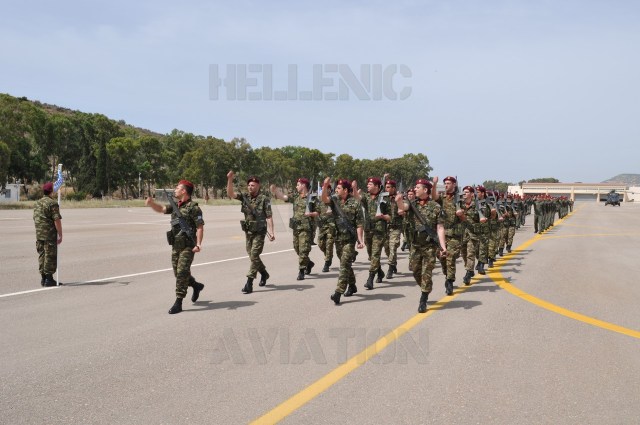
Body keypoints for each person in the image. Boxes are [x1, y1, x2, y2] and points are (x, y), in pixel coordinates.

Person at [145, 180, 204, 314]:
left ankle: (179, 302)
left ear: (184, 191)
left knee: (182, 272)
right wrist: (151, 204)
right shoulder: (175, 206)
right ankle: (196, 285)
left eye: (177, 188)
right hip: (176, 245)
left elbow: (200, 227)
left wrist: (199, 244)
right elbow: (161, 209)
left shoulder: (194, 208)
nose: (175, 190)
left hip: (189, 246)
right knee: (178, 274)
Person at [396, 179, 447, 313]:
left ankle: (423, 299)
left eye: (418, 187)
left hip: (429, 245)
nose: (415, 189)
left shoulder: (435, 207)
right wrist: (398, 201)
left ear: (425, 190)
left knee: (426, 272)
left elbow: (440, 228)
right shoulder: (412, 204)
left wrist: (443, 246)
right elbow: (403, 208)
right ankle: (426, 286)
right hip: (415, 245)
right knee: (415, 270)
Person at [227, 171, 275, 294]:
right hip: (248, 231)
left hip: (259, 231)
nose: (250, 187)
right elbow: (231, 194)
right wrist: (230, 180)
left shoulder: (264, 199)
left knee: (254, 255)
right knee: (252, 256)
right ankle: (264, 273)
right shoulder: (244, 197)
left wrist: (272, 231)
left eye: (253, 185)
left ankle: (249, 283)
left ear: (258, 186)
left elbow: (269, 216)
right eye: (249, 185)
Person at [321, 177, 364, 305]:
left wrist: (360, 240)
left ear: (345, 190)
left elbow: (359, 224)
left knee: (344, 264)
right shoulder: (334, 200)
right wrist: (324, 186)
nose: (336, 190)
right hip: (338, 238)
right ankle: (352, 285)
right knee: (345, 264)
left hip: (349, 240)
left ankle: (338, 293)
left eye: (339, 188)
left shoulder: (355, 203)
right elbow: (324, 199)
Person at [271, 178, 318, 280]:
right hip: (296, 227)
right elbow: (283, 197)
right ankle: (308, 263)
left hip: (306, 228)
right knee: (297, 248)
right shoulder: (296, 197)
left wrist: (310, 213)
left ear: (303, 185)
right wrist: (275, 190)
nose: (296, 186)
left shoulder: (312, 198)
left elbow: (318, 212)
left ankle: (301, 271)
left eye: (298, 184)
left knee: (303, 250)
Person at [432, 176, 465, 295]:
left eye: (449, 183)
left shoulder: (460, 199)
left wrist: (460, 214)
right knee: (442, 258)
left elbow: (465, 218)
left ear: (454, 185)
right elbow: (434, 197)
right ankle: (447, 275)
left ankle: (450, 281)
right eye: (445, 183)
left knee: (450, 257)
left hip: (454, 234)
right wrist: (434, 184)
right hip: (442, 234)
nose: (446, 185)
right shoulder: (443, 198)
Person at [355, 177, 389, 290]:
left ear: (377, 186)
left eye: (370, 184)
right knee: (371, 255)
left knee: (375, 255)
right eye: (368, 184)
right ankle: (379, 272)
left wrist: (383, 216)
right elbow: (358, 197)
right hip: (368, 229)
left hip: (379, 231)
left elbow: (391, 216)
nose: (368, 186)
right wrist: (354, 188)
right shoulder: (366, 197)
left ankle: (370, 279)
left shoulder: (385, 197)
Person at [33, 182, 63, 287]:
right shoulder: (52, 203)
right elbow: (57, 220)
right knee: (50, 256)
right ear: (51, 191)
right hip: (49, 234)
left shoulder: (37, 203)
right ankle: (49, 279)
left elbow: (35, 218)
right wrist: (60, 234)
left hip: (39, 234)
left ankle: (43, 278)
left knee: (42, 256)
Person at [383, 180, 403, 279]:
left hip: (396, 227)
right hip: (386, 227)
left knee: (393, 246)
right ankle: (393, 262)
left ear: (394, 188)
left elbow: (403, 210)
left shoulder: (399, 198)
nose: (387, 189)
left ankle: (390, 268)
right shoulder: (384, 198)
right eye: (386, 187)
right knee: (387, 248)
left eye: (389, 187)